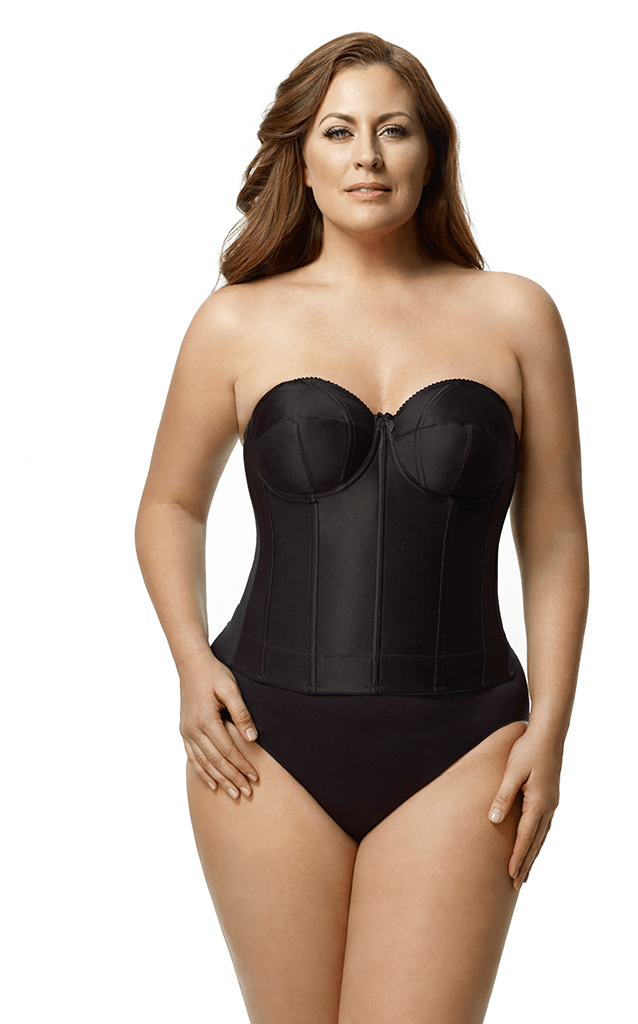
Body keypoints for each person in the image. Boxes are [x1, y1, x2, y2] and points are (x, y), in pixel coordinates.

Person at [135, 31, 589, 1024]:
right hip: (264, 741)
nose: (368, 157)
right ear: (302, 158)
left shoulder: (516, 316)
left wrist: (551, 727)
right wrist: (191, 664)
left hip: (467, 746)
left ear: (432, 152)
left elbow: (554, 536)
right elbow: (168, 504)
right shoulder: (235, 322)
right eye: (339, 132)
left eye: (394, 130)